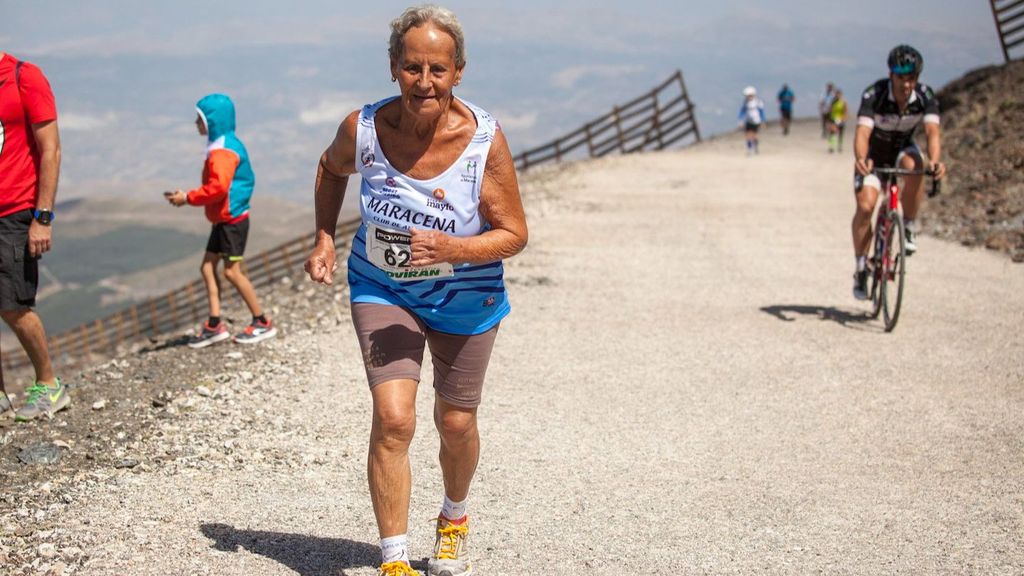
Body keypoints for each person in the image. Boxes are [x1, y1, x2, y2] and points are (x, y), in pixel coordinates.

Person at [304, 6, 528, 576]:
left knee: (455, 422)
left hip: (465, 293)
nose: (423, 82)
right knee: (394, 417)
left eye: (437, 69)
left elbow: (514, 234)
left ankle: (453, 516)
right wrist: (325, 238)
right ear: (392, 68)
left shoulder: (482, 139)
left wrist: (453, 249)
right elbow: (330, 171)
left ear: (457, 72)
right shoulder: (363, 129)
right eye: (411, 68)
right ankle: (395, 559)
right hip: (384, 287)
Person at [164, 94, 277, 348]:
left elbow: (217, 188)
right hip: (225, 219)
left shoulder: (223, 151)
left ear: (213, 121)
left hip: (232, 221)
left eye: (200, 118)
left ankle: (262, 321)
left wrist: (187, 198)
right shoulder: (223, 144)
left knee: (231, 272)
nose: (196, 123)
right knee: (207, 267)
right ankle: (214, 324)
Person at [0, 52, 69, 421]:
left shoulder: (23, 76)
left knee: (13, 304)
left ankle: (49, 384)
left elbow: (51, 149)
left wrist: (42, 216)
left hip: (14, 210)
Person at [851, 45, 946, 300]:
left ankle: (909, 226)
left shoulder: (925, 96)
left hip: (903, 150)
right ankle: (861, 265)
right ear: (891, 75)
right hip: (874, 157)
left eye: (912, 78)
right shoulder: (875, 94)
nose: (907, 85)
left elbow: (933, 133)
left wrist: (936, 161)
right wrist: (861, 158)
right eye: (901, 78)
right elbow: (862, 133)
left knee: (917, 166)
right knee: (866, 206)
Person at [738, 86, 765, 155]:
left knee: (754, 135)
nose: (748, 97)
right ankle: (749, 149)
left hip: (756, 121)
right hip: (748, 121)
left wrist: (762, 121)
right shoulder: (745, 102)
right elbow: (742, 111)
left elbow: (761, 112)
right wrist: (740, 120)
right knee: (748, 135)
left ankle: (755, 146)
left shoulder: (758, 102)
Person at [828, 88, 847, 153]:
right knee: (832, 133)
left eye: (839, 94)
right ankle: (831, 147)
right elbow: (830, 110)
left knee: (840, 134)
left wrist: (842, 119)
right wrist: (830, 120)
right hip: (833, 119)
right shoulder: (833, 102)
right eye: (836, 94)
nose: (837, 96)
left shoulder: (843, 102)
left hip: (841, 119)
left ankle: (840, 146)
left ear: (841, 95)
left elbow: (845, 112)